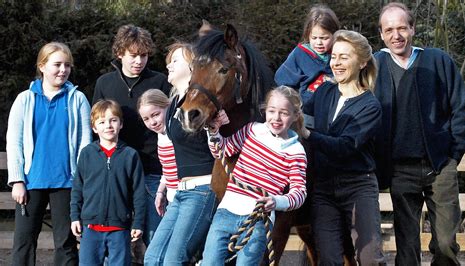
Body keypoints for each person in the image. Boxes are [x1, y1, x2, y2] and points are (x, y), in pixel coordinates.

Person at [374, 3, 465, 265]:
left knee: (445, 243)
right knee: (406, 248)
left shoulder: (438, 60)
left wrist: (453, 155)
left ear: (413, 29)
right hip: (399, 170)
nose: (397, 35)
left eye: (402, 28)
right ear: (382, 34)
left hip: (439, 165)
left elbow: (461, 108)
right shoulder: (374, 66)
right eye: (390, 29)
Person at [302, 30, 385, 265]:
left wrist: (308, 133)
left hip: (358, 186)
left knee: (369, 259)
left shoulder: (370, 106)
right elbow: (299, 120)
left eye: (344, 57)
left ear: (362, 62)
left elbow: (345, 147)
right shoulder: (324, 92)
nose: (336, 63)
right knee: (328, 259)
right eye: (334, 56)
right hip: (324, 189)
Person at [201, 85, 307, 265]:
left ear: (295, 116)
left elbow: (299, 193)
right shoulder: (252, 130)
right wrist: (214, 132)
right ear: (265, 110)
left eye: (284, 113)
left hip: (258, 220)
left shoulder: (296, 152)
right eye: (272, 111)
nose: (276, 118)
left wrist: (277, 201)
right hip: (226, 212)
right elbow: (222, 151)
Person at [6, 42, 91, 265]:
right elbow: (14, 142)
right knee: (24, 242)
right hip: (31, 182)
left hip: (67, 182)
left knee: (67, 243)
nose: (63, 70)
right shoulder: (24, 99)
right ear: (42, 66)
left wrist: (81, 180)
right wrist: (17, 180)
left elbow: (84, 143)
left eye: (67, 65)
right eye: (57, 65)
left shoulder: (78, 99)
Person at [92, 24, 171, 246]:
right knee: (115, 243)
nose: (139, 61)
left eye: (144, 55)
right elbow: (96, 128)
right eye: (133, 55)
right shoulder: (104, 83)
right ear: (120, 53)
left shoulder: (160, 82)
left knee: (156, 238)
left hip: (153, 172)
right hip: (116, 172)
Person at [144, 42, 218, 265]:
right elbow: (171, 153)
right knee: (153, 257)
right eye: (168, 62)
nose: (168, 66)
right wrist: (163, 186)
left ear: (193, 65)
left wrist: (216, 129)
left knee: (174, 261)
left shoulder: (204, 103)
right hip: (180, 192)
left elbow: (221, 148)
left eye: (175, 60)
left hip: (203, 189)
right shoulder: (175, 102)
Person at [70, 99, 146, 265]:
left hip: (120, 229)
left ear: (121, 124)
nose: (108, 126)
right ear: (94, 128)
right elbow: (77, 188)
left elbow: (139, 193)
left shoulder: (130, 155)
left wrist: (138, 222)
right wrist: (75, 216)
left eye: (113, 120)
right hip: (90, 229)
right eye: (102, 122)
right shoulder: (87, 153)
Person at [275, 4, 340, 128]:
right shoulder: (300, 54)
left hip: (333, 114)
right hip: (306, 115)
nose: (318, 42)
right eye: (314, 38)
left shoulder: (339, 54)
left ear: (335, 35)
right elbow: (282, 81)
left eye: (324, 38)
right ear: (308, 35)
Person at [138, 89, 178, 214]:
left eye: (155, 115)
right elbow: (168, 168)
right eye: (146, 119)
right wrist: (160, 191)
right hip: (172, 197)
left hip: (186, 196)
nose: (152, 122)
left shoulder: (175, 132)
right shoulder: (161, 135)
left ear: (167, 106)